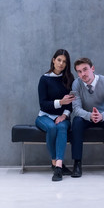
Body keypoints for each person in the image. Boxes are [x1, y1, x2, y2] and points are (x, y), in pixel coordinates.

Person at [70, 57, 104, 178]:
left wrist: (101, 116)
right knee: (76, 122)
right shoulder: (76, 84)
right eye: (79, 71)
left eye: (85, 69)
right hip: (86, 117)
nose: (83, 74)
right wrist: (89, 116)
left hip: (103, 116)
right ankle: (77, 163)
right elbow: (76, 109)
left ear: (92, 68)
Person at [35, 49, 75, 182]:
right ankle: (54, 162)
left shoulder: (69, 78)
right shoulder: (44, 79)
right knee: (52, 128)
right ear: (53, 60)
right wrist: (60, 102)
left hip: (63, 116)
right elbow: (43, 104)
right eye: (59, 60)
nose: (61, 64)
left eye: (64, 61)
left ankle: (58, 167)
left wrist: (64, 115)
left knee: (61, 127)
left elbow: (70, 104)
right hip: (44, 116)